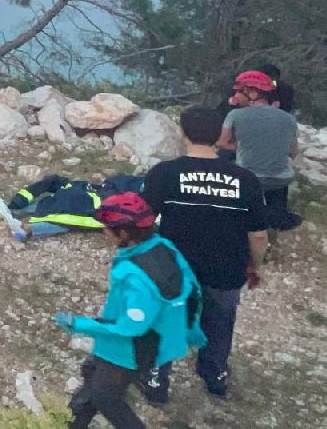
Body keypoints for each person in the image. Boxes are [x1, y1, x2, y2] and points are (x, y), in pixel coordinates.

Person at [141, 106, 268, 400]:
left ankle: (157, 381)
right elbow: (259, 234)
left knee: (167, 321)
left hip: (175, 270)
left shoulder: (165, 173)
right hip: (226, 269)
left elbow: (143, 222)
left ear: (182, 132)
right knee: (220, 322)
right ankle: (215, 375)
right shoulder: (245, 179)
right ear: (219, 137)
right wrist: (255, 266)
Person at [53, 193, 205, 429]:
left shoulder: (135, 277)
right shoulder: (163, 246)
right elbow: (192, 288)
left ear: (124, 233)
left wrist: (77, 324)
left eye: (107, 228)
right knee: (92, 379)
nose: (104, 232)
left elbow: (130, 327)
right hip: (142, 343)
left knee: (106, 397)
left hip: (128, 351)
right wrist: (192, 331)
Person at [217, 70, 302, 231]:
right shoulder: (289, 118)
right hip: (280, 180)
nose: (235, 95)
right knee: (276, 177)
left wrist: (240, 146)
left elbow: (221, 143)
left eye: (239, 91)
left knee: (226, 161)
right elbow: (293, 152)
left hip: (248, 178)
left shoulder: (235, 115)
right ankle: (278, 216)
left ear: (253, 93)